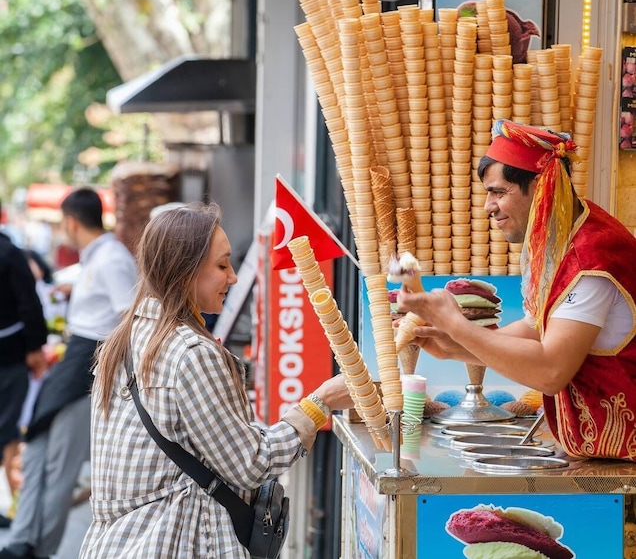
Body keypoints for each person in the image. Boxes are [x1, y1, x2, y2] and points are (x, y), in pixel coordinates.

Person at [79, 202, 353, 558]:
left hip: (114, 544)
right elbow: (252, 464)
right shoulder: (190, 353)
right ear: (185, 271)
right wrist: (321, 403)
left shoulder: (125, 339)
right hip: (173, 544)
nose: (234, 277)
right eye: (222, 265)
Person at [398, 119, 636, 462]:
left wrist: (458, 326)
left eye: (499, 192)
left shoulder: (590, 259)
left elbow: (550, 371)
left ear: (542, 188)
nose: (488, 207)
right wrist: (452, 345)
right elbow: (535, 331)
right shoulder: (560, 241)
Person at [0, 187, 138, 559]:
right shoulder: (99, 258)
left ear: (72, 222)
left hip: (88, 366)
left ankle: (37, 549)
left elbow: (131, 321)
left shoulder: (110, 259)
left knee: (60, 464)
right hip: (77, 360)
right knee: (37, 454)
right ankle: (21, 541)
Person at [0, 229, 48, 528]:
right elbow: (28, 301)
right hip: (10, 355)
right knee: (8, 430)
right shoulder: (8, 252)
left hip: (11, 353)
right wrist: (34, 346)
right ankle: (16, 506)